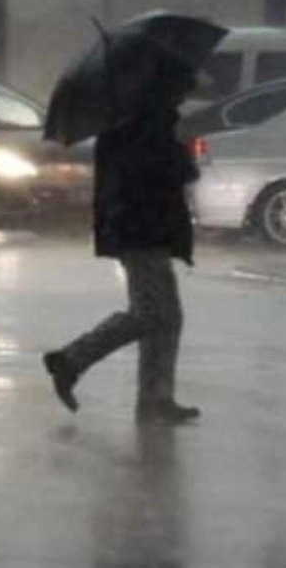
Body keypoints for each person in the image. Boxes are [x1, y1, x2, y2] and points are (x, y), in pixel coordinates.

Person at [42, 58, 201, 424]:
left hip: (143, 228)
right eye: (182, 87)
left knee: (166, 315)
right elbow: (162, 175)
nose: (185, 95)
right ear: (167, 87)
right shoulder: (144, 122)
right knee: (152, 312)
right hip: (142, 229)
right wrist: (181, 155)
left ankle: (156, 398)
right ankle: (72, 360)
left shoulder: (136, 118)